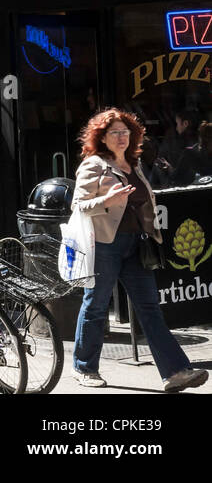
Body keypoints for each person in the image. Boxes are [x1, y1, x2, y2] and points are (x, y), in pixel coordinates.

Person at [71, 108, 208, 392]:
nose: (122, 138)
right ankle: (84, 368)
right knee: (96, 307)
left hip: (137, 245)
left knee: (150, 310)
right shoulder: (93, 165)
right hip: (105, 245)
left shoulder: (134, 163)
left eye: (126, 132)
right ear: (102, 137)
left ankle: (175, 372)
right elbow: (78, 206)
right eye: (115, 133)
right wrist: (106, 199)